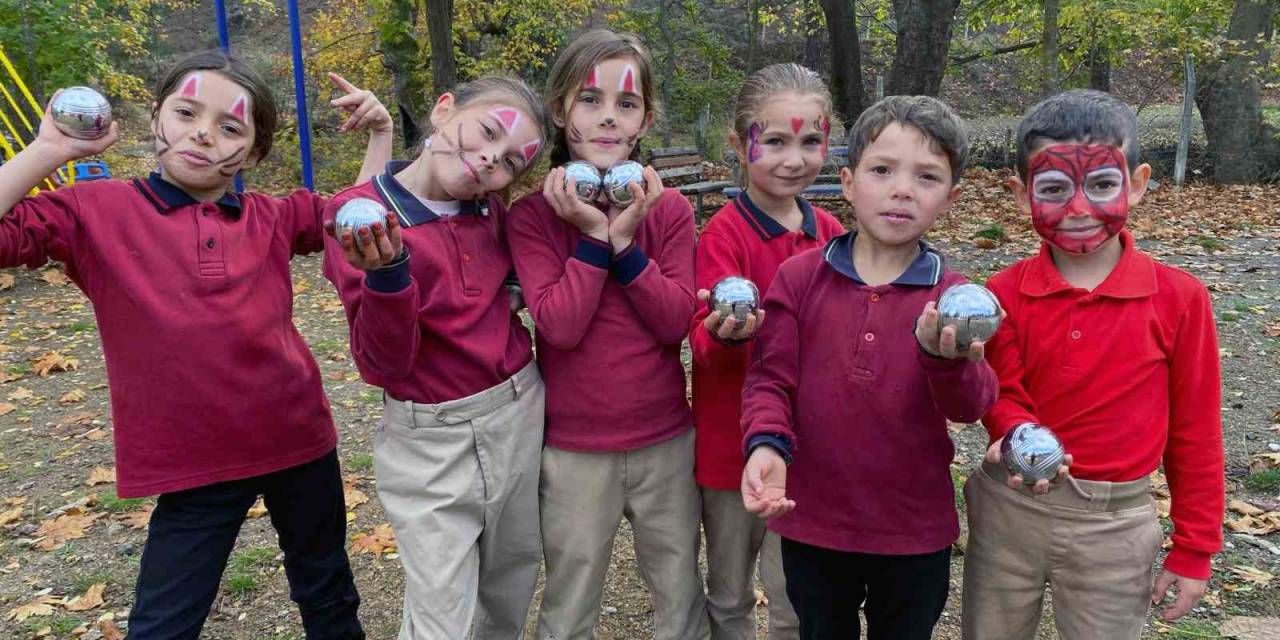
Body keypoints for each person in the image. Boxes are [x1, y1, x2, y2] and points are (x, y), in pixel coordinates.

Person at [0, 50, 393, 639]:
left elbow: (356, 215)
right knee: (163, 624)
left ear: (254, 153)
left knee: (328, 593)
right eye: (186, 113)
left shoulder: (272, 216)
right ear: (156, 116)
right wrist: (49, 150)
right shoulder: (92, 211)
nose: (204, 133)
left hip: (298, 438)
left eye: (230, 127)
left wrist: (381, 135)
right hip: (192, 460)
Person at [961, 88, 1224, 640]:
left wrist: (1195, 547)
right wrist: (1016, 432)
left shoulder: (1180, 298)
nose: (1079, 209)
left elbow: (1196, 431)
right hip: (1010, 510)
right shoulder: (1002, 292)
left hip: (1115, 523)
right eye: (1054, 189)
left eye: (1102, 184)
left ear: (1138, 183)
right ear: (1021, 194)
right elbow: (1001, 390)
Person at [740, 95, 997, 640]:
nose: (902, 189)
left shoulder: (955, 300)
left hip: (912, 531)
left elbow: (971, 406)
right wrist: (766, 445)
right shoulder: (799, 278)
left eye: (926, 176)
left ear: (950, 198)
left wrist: (943, 360)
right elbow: (769, 380)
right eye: (882, 170)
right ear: (848, 182)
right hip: (814, 522)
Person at [321, 75, 550, 639]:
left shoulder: (490, 211)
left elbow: (512, 270)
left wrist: (517, 287)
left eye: (510, 162)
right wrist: (389, 275)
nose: (490, 158)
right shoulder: (361, 220)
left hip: (518, 410)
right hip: (431, 438)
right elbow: (383, 365)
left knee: (510, 580)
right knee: (441, 610)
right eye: (487, 132)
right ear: (444, 109)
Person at [506, 28, 709, 639]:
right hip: (574, 448)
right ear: (560, 108)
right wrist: (596, 237)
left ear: (646, 118)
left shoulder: (668, 210)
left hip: (664, 439)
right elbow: (561, 326)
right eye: (590, 99)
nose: (608, 117)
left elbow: (673, 321)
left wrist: (627, 245)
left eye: (627, 103)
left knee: (679, 589)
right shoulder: (532, 217)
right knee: (570, 597)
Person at [690, 62, 844, 639]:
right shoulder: (723, 235)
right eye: (775, 141)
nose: (794, 159)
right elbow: (702, 343)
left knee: (794, 595)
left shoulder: (831, 235)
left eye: (810, 142)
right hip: (729, 447)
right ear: (739, 144)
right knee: (730, 591)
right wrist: (726, 334)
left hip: (805, 452)